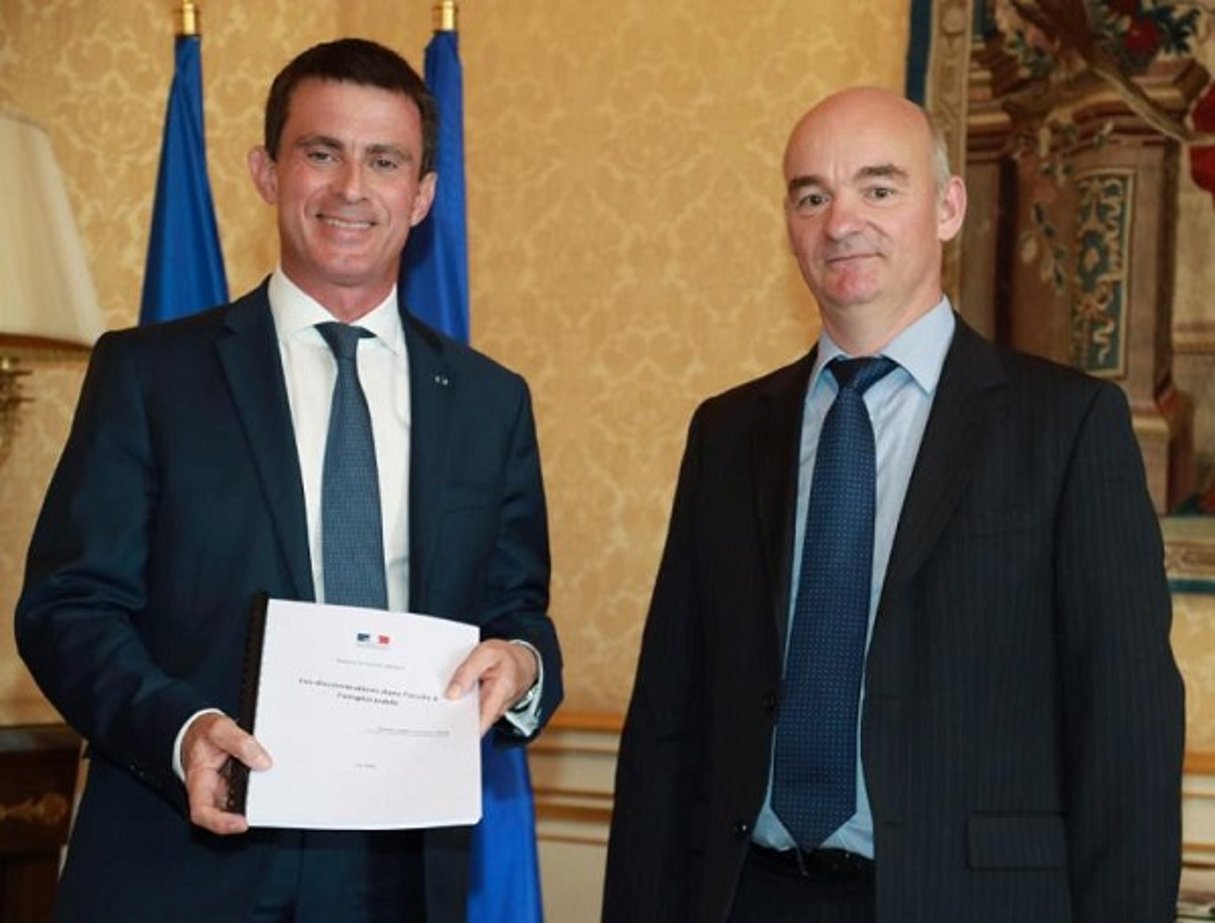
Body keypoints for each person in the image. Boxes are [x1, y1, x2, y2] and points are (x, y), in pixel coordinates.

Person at [602, 86, 1183, 922]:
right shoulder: (728, 434)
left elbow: (1124, 736)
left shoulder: (1063, 427)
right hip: (742, 894)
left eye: (878, 188)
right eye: (812, 195)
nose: (841, 221)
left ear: (948, 207)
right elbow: (667, 718)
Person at [16, 37, 561, 923]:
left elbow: (516, 608)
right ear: (267, 171)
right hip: (181, 859)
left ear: (421, 195)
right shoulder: (150, 376)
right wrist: (182, 732)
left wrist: (523, 661)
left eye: (384, 161)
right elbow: (66, 606)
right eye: (321, 152)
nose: (351, 188)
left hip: (398, 874)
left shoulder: (490, 403)